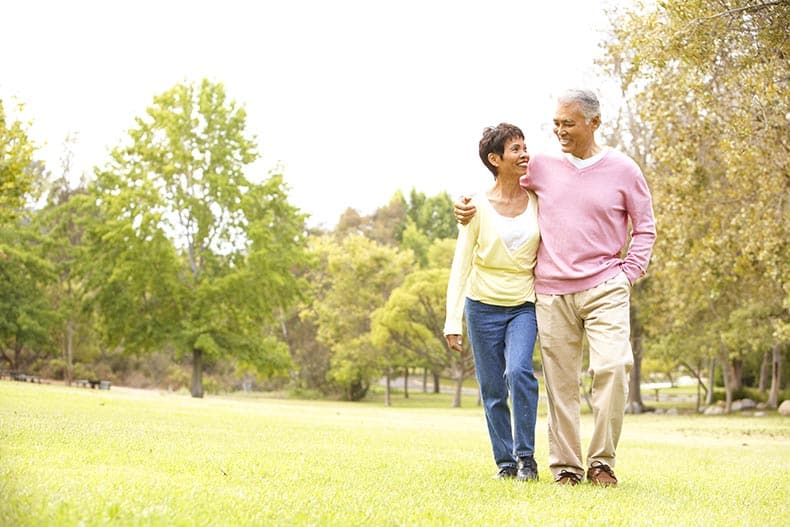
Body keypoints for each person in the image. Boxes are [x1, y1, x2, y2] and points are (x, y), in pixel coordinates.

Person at [455, 89, 656, 486]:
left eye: (569, 123)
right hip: (550, 291)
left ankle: (602, 462)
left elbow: (645, 226)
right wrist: (465, 205)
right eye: (557, 123)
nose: (559, 130)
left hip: (606, 285)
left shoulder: (624, 169)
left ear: (593, 123)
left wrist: (630, 271)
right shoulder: (542, 165)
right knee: (561, 384)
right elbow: (502, 186)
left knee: (614, 367)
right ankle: (566, 467)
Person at [444, 123, 541, 481]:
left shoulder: (537, 199)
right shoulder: (476, 207)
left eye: (525, 146)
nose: (524, 154)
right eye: (515, 149)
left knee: (518, 372)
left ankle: (526, 459)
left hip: (523, 304)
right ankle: (505, 463)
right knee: (493, 389)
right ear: (495, 159)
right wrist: (453, 321)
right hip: (482, 305)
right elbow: (461, 263)